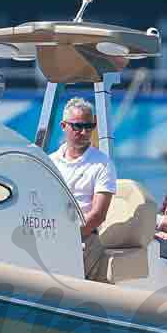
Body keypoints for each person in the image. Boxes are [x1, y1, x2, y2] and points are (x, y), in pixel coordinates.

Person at [49, 97, 116, 282]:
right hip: (48, 234)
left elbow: (97, 215)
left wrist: (64, 236)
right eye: (78, 126)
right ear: (64, 126)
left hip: (84, 238)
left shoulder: (103, 164)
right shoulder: (50, 161)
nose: (85, 132)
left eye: (89, 126)